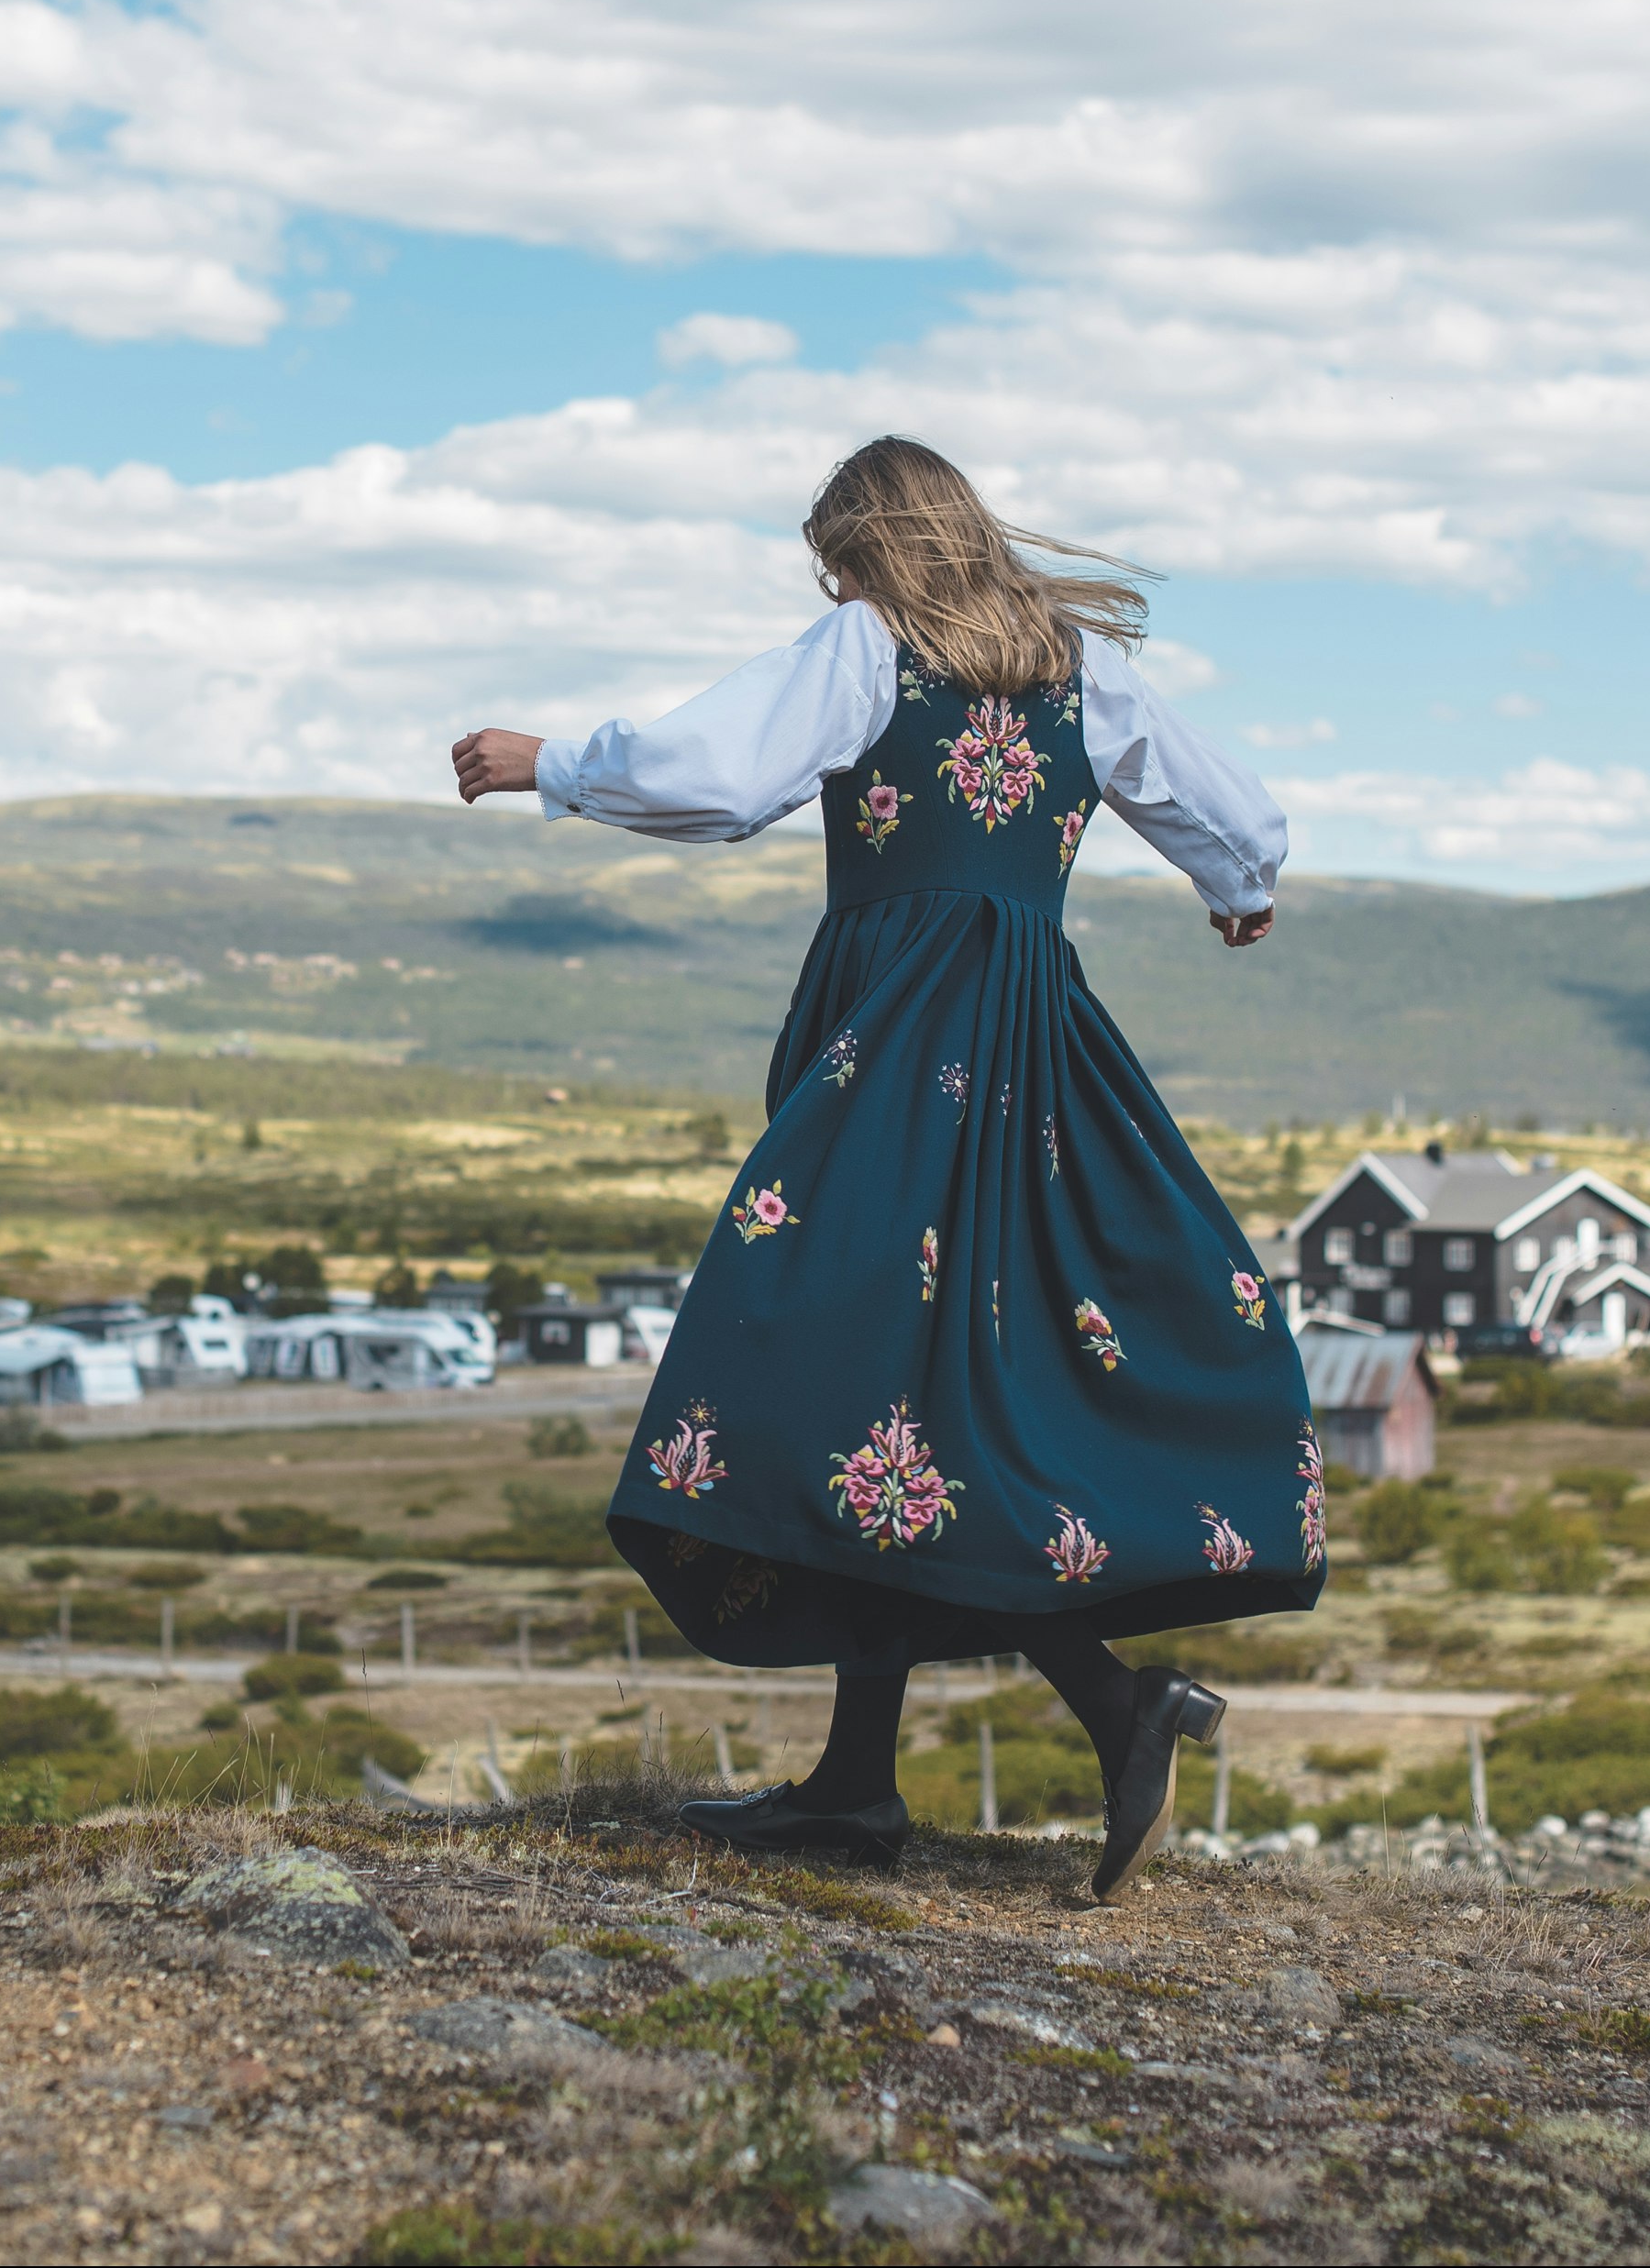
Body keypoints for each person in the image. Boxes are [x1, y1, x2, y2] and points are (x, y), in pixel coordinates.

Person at [448, 437, 1312, 1899]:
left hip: (899, 1036)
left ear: (876, 549)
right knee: (930, 1380)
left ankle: (1110, 1702)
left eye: (837, 560)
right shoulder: (1082, 671)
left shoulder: (870, 648)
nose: (833, 584)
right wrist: (1242, 892)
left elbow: (720, 781)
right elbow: (1232, 815)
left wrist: (557, 768)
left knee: (840, 1362)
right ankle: (858, 1780)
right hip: (1035, 1045)